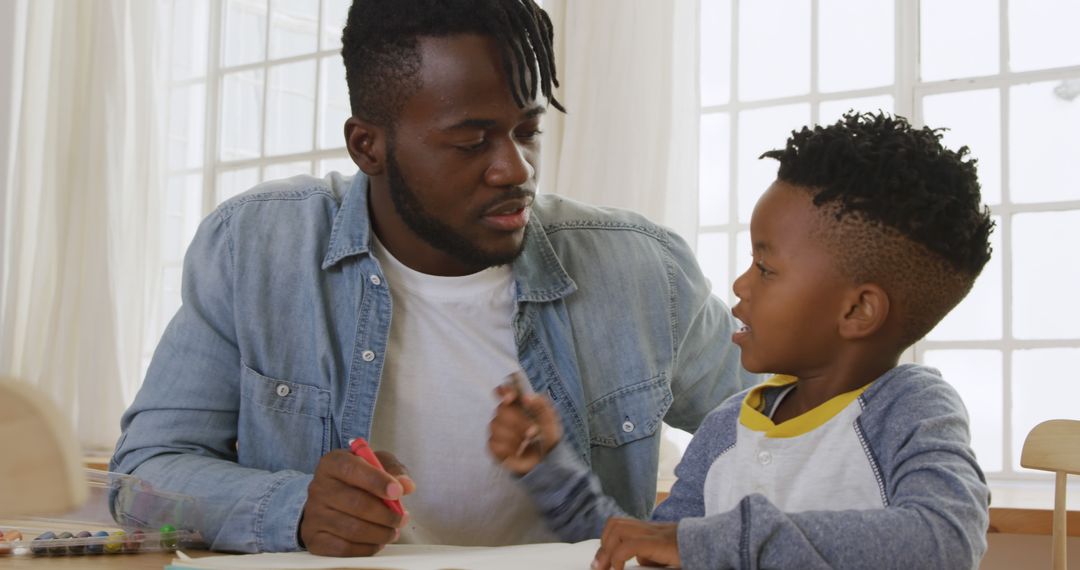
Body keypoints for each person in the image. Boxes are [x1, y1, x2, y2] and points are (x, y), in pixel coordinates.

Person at [109, 0, 757, 557]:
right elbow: (142, 479)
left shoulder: (642, 270)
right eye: (471, 141)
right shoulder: (256, 249)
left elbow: (808, 429)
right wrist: (293, 508)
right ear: (368, 146)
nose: (515, 168)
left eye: (527, 131)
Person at [489, 111, 995, 569]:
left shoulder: (909, 409)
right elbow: (645, 550)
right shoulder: (727, 426)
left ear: (857, 310)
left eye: (766, 268)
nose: (739, 285)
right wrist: (550, 472)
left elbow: (944, 542)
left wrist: (714, 543)